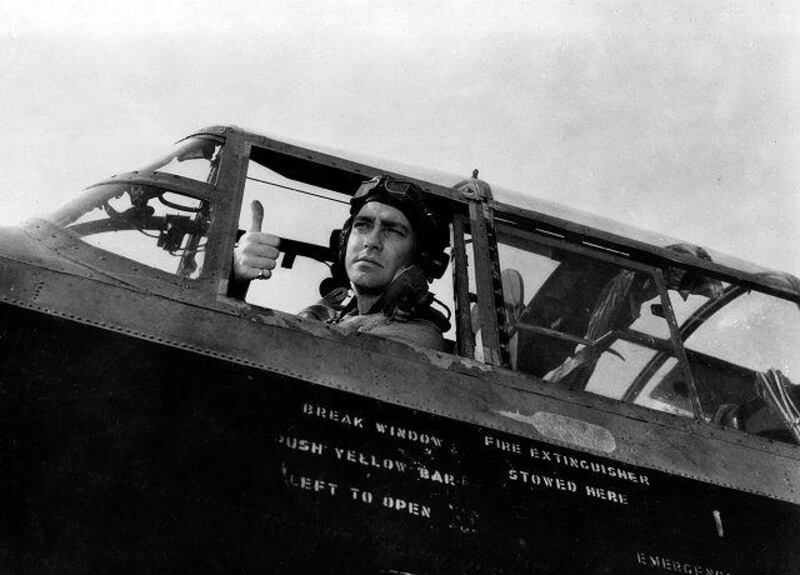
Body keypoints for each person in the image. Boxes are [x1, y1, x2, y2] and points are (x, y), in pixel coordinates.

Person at [231, 175, 450, 351]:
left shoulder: (416, 338)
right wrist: (235, 277)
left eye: (392, 231)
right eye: (363, 225)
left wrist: (234, 290)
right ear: (344, 242)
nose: (371, 242)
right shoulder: (339, 316)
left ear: (419, 257)